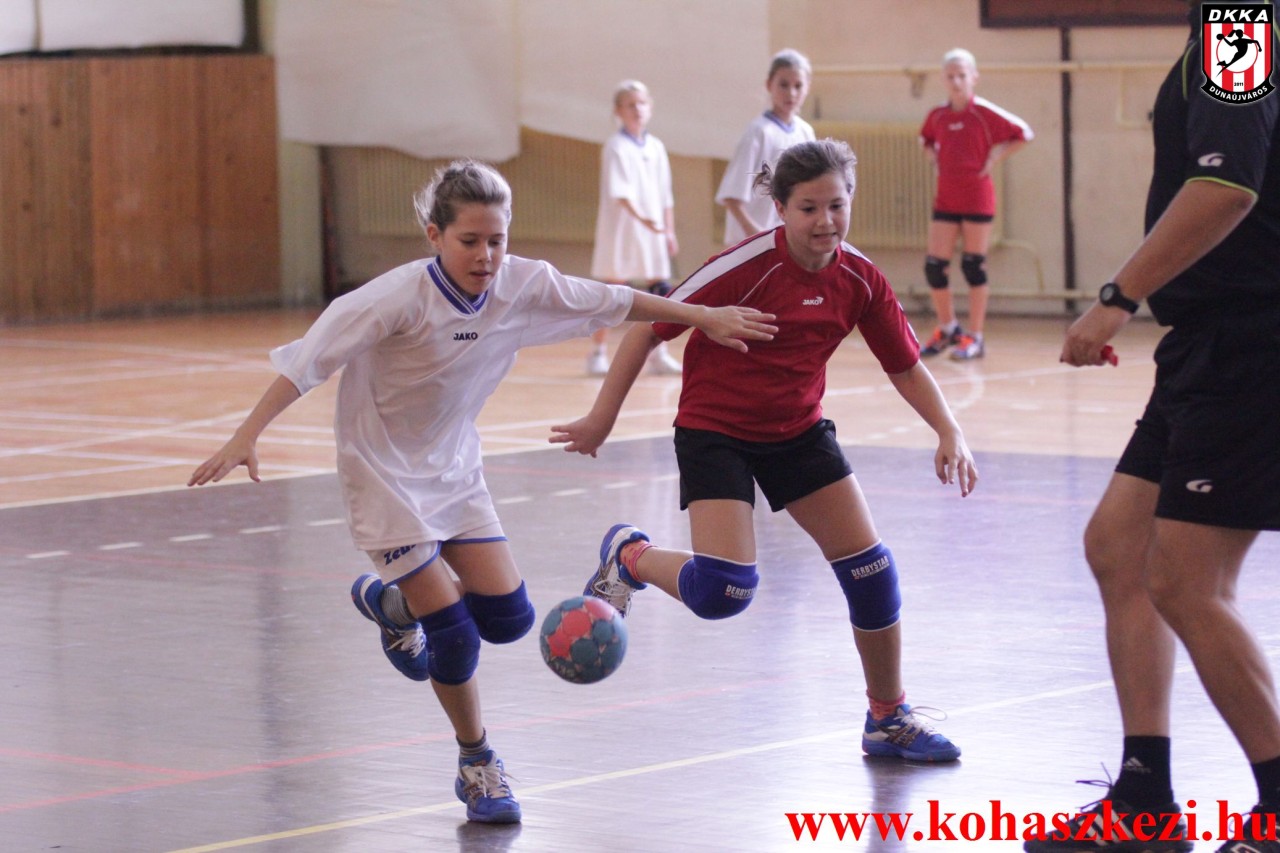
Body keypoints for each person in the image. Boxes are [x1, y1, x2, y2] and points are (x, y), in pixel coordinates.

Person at [186, 160, 776, 824]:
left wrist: (702, 315)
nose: (486, 255)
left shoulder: (521, 284)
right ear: (435, 236)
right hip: (383, 475)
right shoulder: (393, 299)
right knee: (456, 633)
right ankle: (477, 763)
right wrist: (246, 435)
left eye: (497, 240)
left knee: (508, 620)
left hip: (455, 470)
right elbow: (306, 363)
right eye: (469, 240)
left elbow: (612, 299)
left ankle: (391, 605)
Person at [551, 139, 978, 763]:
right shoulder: (744, 267)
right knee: (723, 592)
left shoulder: (860, 278)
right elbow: (646, 330)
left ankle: (887, 718)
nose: (825, 221)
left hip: (797, 431)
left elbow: (906, 365)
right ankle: (631, 556)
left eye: (836, 205)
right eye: (808, 208)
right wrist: (600, 419)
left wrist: (949, 429)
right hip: (716, 431)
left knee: (872, 571)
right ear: (779, 208)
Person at [1027, 2, 1280, 851]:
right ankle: (1144, 798)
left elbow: (1225, 187)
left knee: (1186, 581)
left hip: (1250, 345)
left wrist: (1117, 295)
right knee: (1119, 547)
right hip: (1205, 345)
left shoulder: (1241, 28)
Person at [918, 48, 1032, 361]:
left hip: (977, 198)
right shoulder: (937, 115)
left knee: (973, 265)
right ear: (943, 79)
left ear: (974, 78)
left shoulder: (983, 112)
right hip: (946, 197)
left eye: (962, 75)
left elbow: (1024, 133)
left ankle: (976, 336)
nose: (956, 81)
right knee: (934, 267)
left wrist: (996, 157)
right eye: (950, 76)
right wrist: (933, 158)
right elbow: (925, 139)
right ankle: (948, 328)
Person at [587, 79, 682, 377]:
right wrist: (643, 220)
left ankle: (658, 353)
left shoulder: (656, 147)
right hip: (624, 230)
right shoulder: (615, 146)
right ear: (618, 110)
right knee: (614, 291)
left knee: (660, 290)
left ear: (650, 107)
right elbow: (621, 193)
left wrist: (668, 230)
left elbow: (665, 194)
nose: (637, 109)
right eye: (630, 104)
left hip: (652, 231)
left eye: (641, 103)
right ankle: (597, 353)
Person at [715, 48, 816, 247]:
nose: (791, 93)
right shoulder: (758, 132)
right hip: (753, 243)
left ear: (807, 87)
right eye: (784, 85)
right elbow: (732, 196)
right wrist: (755, 235)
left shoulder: (806, 133)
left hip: (786, 241)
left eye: (798, 86)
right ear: (769, 84)